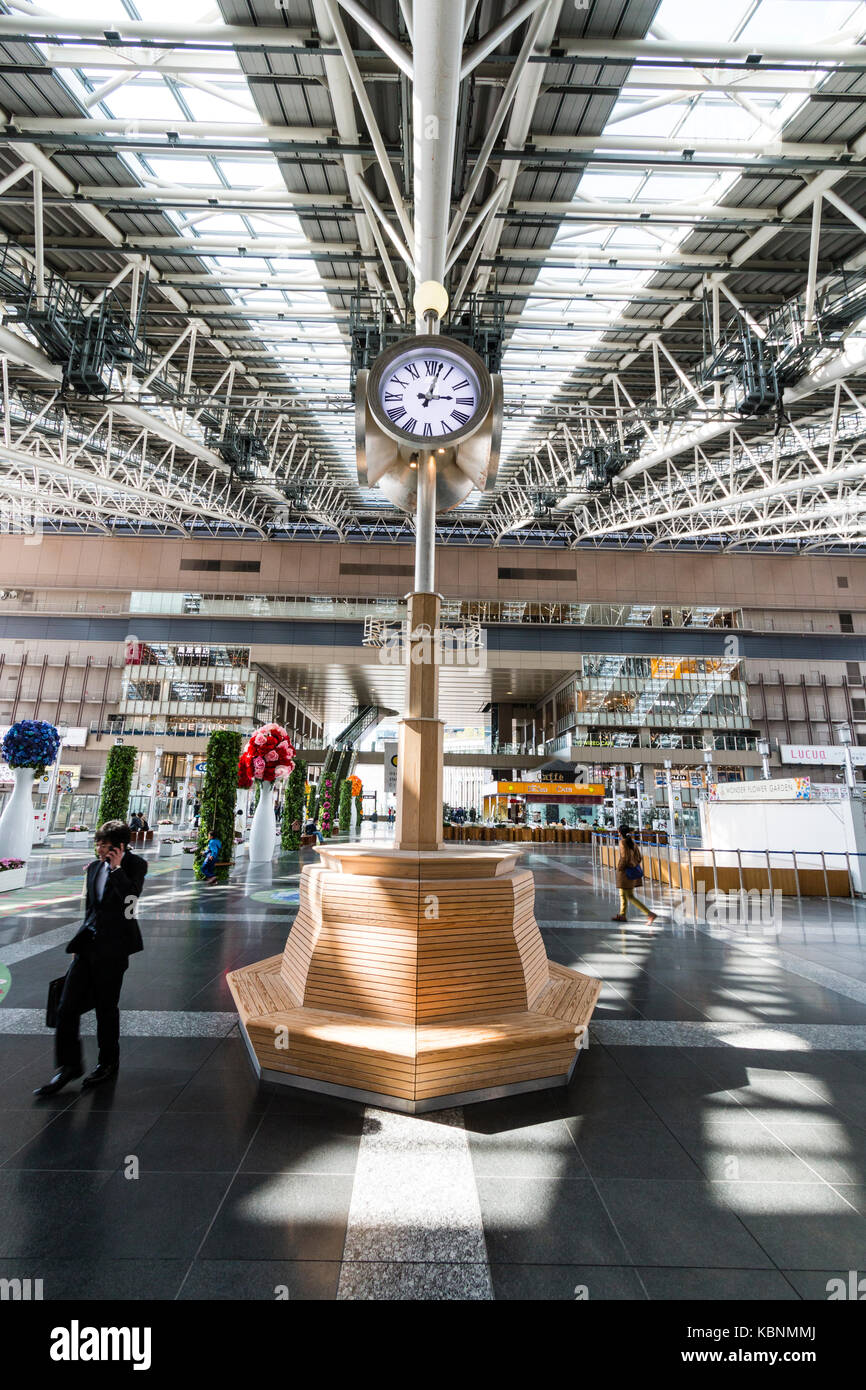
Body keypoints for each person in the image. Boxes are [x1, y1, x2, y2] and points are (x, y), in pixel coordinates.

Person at [34, 820, 147, 1096]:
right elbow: (91, 909)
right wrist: (79, 941)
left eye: (104, 845)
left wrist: (117, 869)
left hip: (114, 949)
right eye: (97, 843)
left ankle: (108, 1063)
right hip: (88, 946)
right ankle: (69, 1065)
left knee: (106, 1009)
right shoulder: (94, 868)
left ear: (119, 847)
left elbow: (131, 900)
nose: (98, 848)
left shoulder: (135, 866)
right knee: (66, 1007)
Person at [612, 830, 656, 925]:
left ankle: (649, 914)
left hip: (625, 872)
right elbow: (639, 857)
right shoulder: (632, 842)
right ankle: (622, 915)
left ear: (619, 833)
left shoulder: (622, 842)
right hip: (631, 871)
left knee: (629, 896)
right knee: (624, 895)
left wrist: (620, 867)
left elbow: (625, 858)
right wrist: (633, 864)